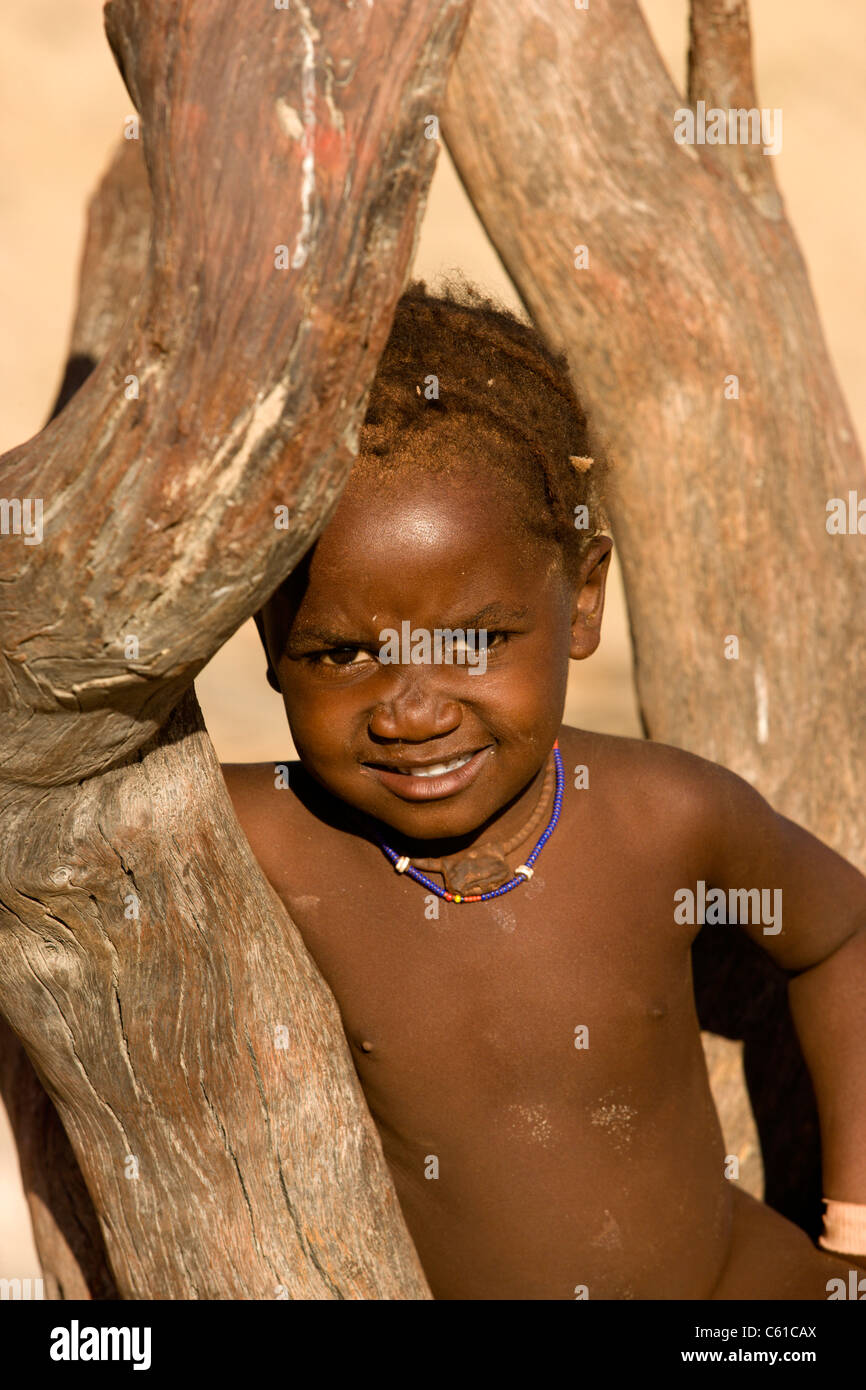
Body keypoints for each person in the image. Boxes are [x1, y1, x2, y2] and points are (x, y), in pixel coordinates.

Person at [223, 278, 866, 1299]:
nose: (410, 712)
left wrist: (851, 1231)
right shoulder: (260, 835)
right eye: (343, 654)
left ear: (582, 600)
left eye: (475, 641)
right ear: (267, 639)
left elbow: (839, 932)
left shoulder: (662, 818)